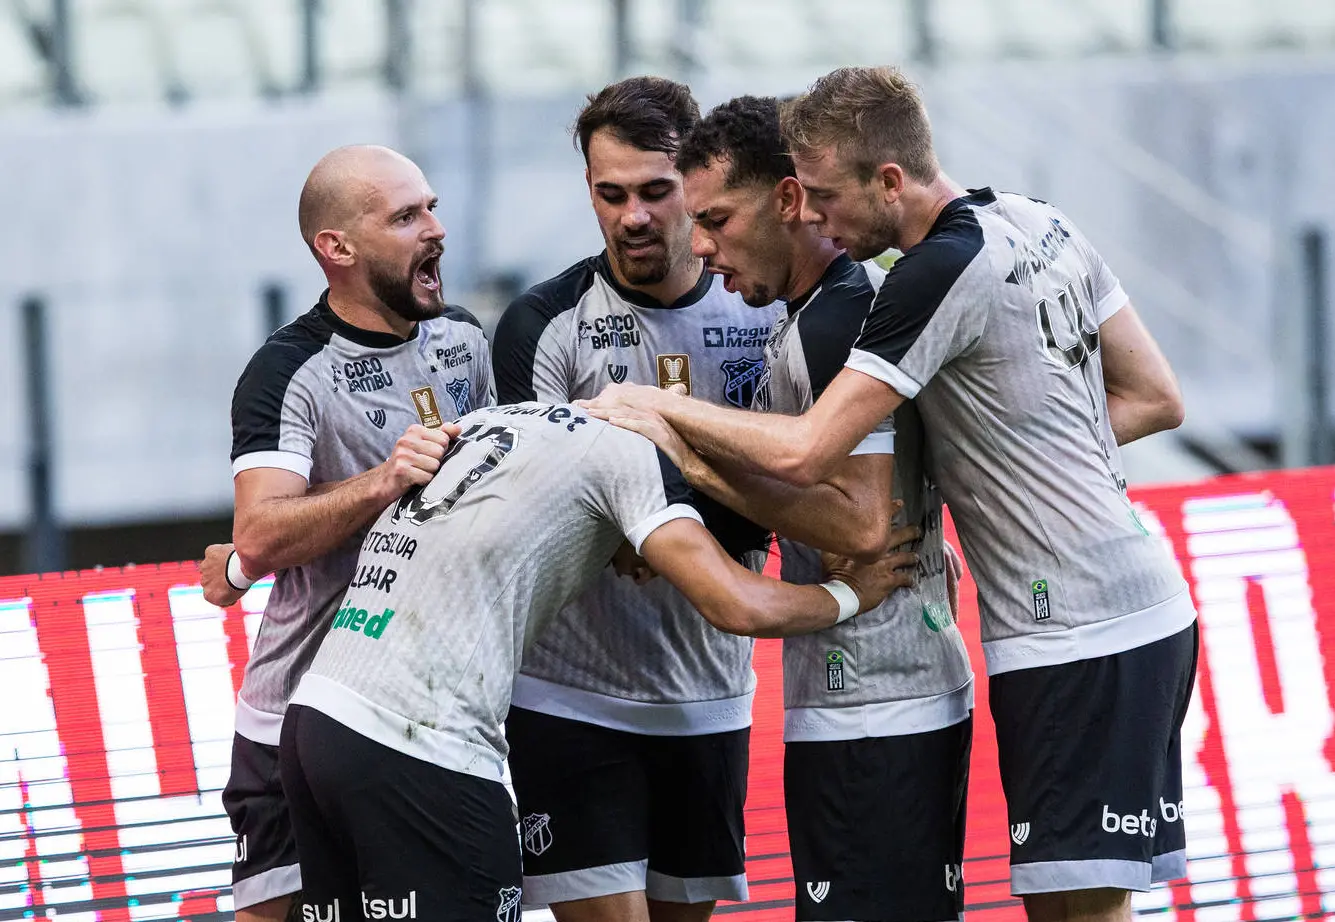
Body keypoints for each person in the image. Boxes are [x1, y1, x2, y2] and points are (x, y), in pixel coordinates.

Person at [585, 66, 1195, 922]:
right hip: (1129, 604)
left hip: (1065, 632)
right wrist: (977, 469)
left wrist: (657, 409)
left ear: (888, 180)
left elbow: (815, 464)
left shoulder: (923, 275)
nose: (816, 217)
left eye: (823, 196)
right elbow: (1152, 397)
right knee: (1075, 907)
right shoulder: (1032, 217)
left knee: (1079, 912)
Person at [279, 399, 919, 922]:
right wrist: (849, 594)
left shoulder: (495, 419)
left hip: (316, 721)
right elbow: (738, 605)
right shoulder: (633, 458)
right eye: (665, 554)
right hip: (417, 745)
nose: (645, 578)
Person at [622, 94, 971, 922]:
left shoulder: (837, 317)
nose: (700, 248)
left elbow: (859, 523)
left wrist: (689, 459)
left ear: (787, 201)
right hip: (871, 696)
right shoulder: (814, 315)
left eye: (714, 218)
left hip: (878, 702)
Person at [490, 77, 782, 922]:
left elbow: (795, 480)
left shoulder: (763, 306)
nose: (632, 217)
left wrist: (640, 506)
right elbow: (529, 504)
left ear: (694, 185)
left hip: (710, 691)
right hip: (567, 693)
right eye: (608, 194)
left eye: (656, 193)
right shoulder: (543, 323)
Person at [199, 144, 494, 921]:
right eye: (405, 216)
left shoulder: (465, 341)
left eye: (431, 207)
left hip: (428, 713)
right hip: (294, 716)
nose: (434, 229)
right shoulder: (289, 370)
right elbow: (259, 534)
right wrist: (384, 480)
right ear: (337, 248)